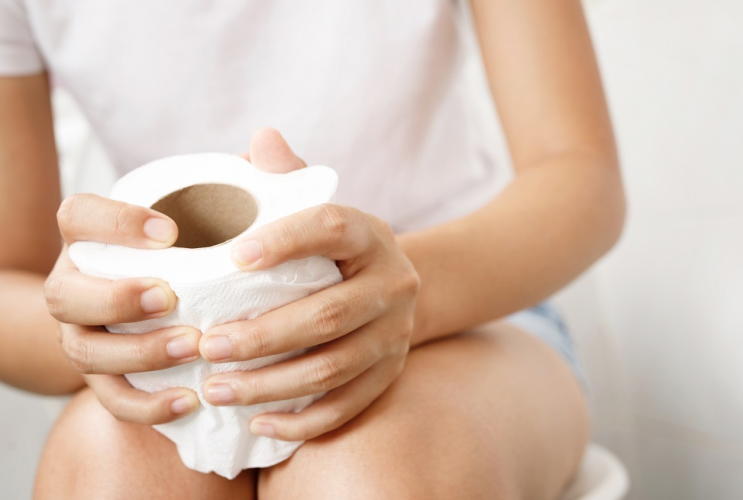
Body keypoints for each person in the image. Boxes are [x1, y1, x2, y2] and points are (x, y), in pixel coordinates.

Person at [0, 1, 625, 498]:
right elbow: (10, 279)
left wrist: (400, 292)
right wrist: (103, 322)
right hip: (184, 336)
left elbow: (580, 177)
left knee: (367, 474)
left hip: (465, 309)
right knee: (109, 470)